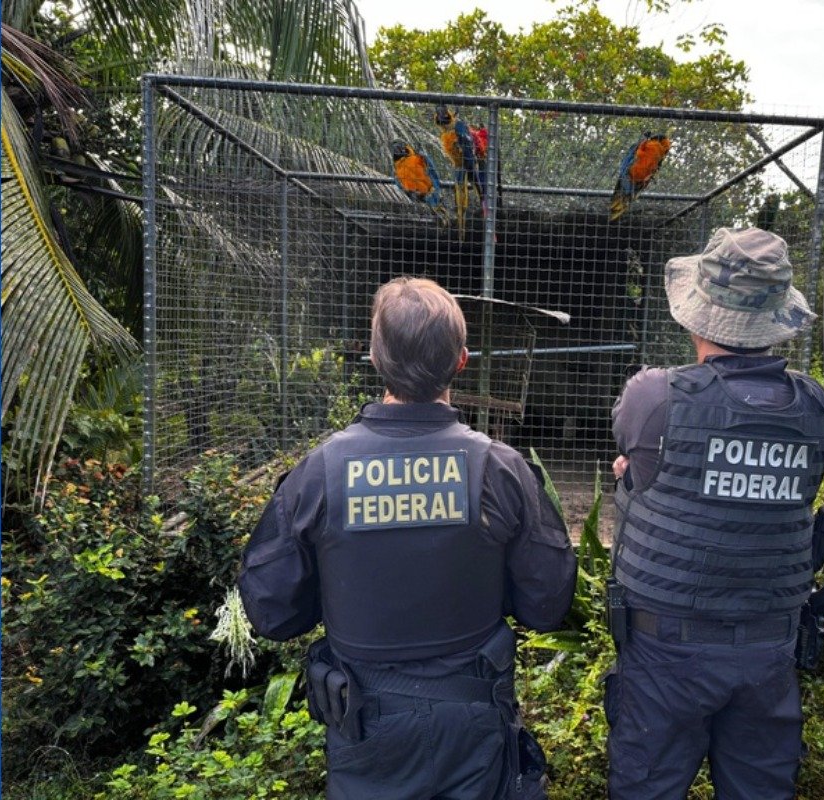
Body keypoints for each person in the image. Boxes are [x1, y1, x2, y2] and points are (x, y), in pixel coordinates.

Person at [238, 276, 577, 800]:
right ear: (462, 360)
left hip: (365, 729)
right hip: (474, 723)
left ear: (375, 359)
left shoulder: (319, 474)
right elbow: (546, 605)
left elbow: (273, 614)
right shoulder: (501, 470)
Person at [605, 226, 824, 799]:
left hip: (666, 656)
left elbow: (639, 464)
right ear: (776, 316)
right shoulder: (816, 408)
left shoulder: (654, 395)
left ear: (697, 314)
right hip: (769, 652)